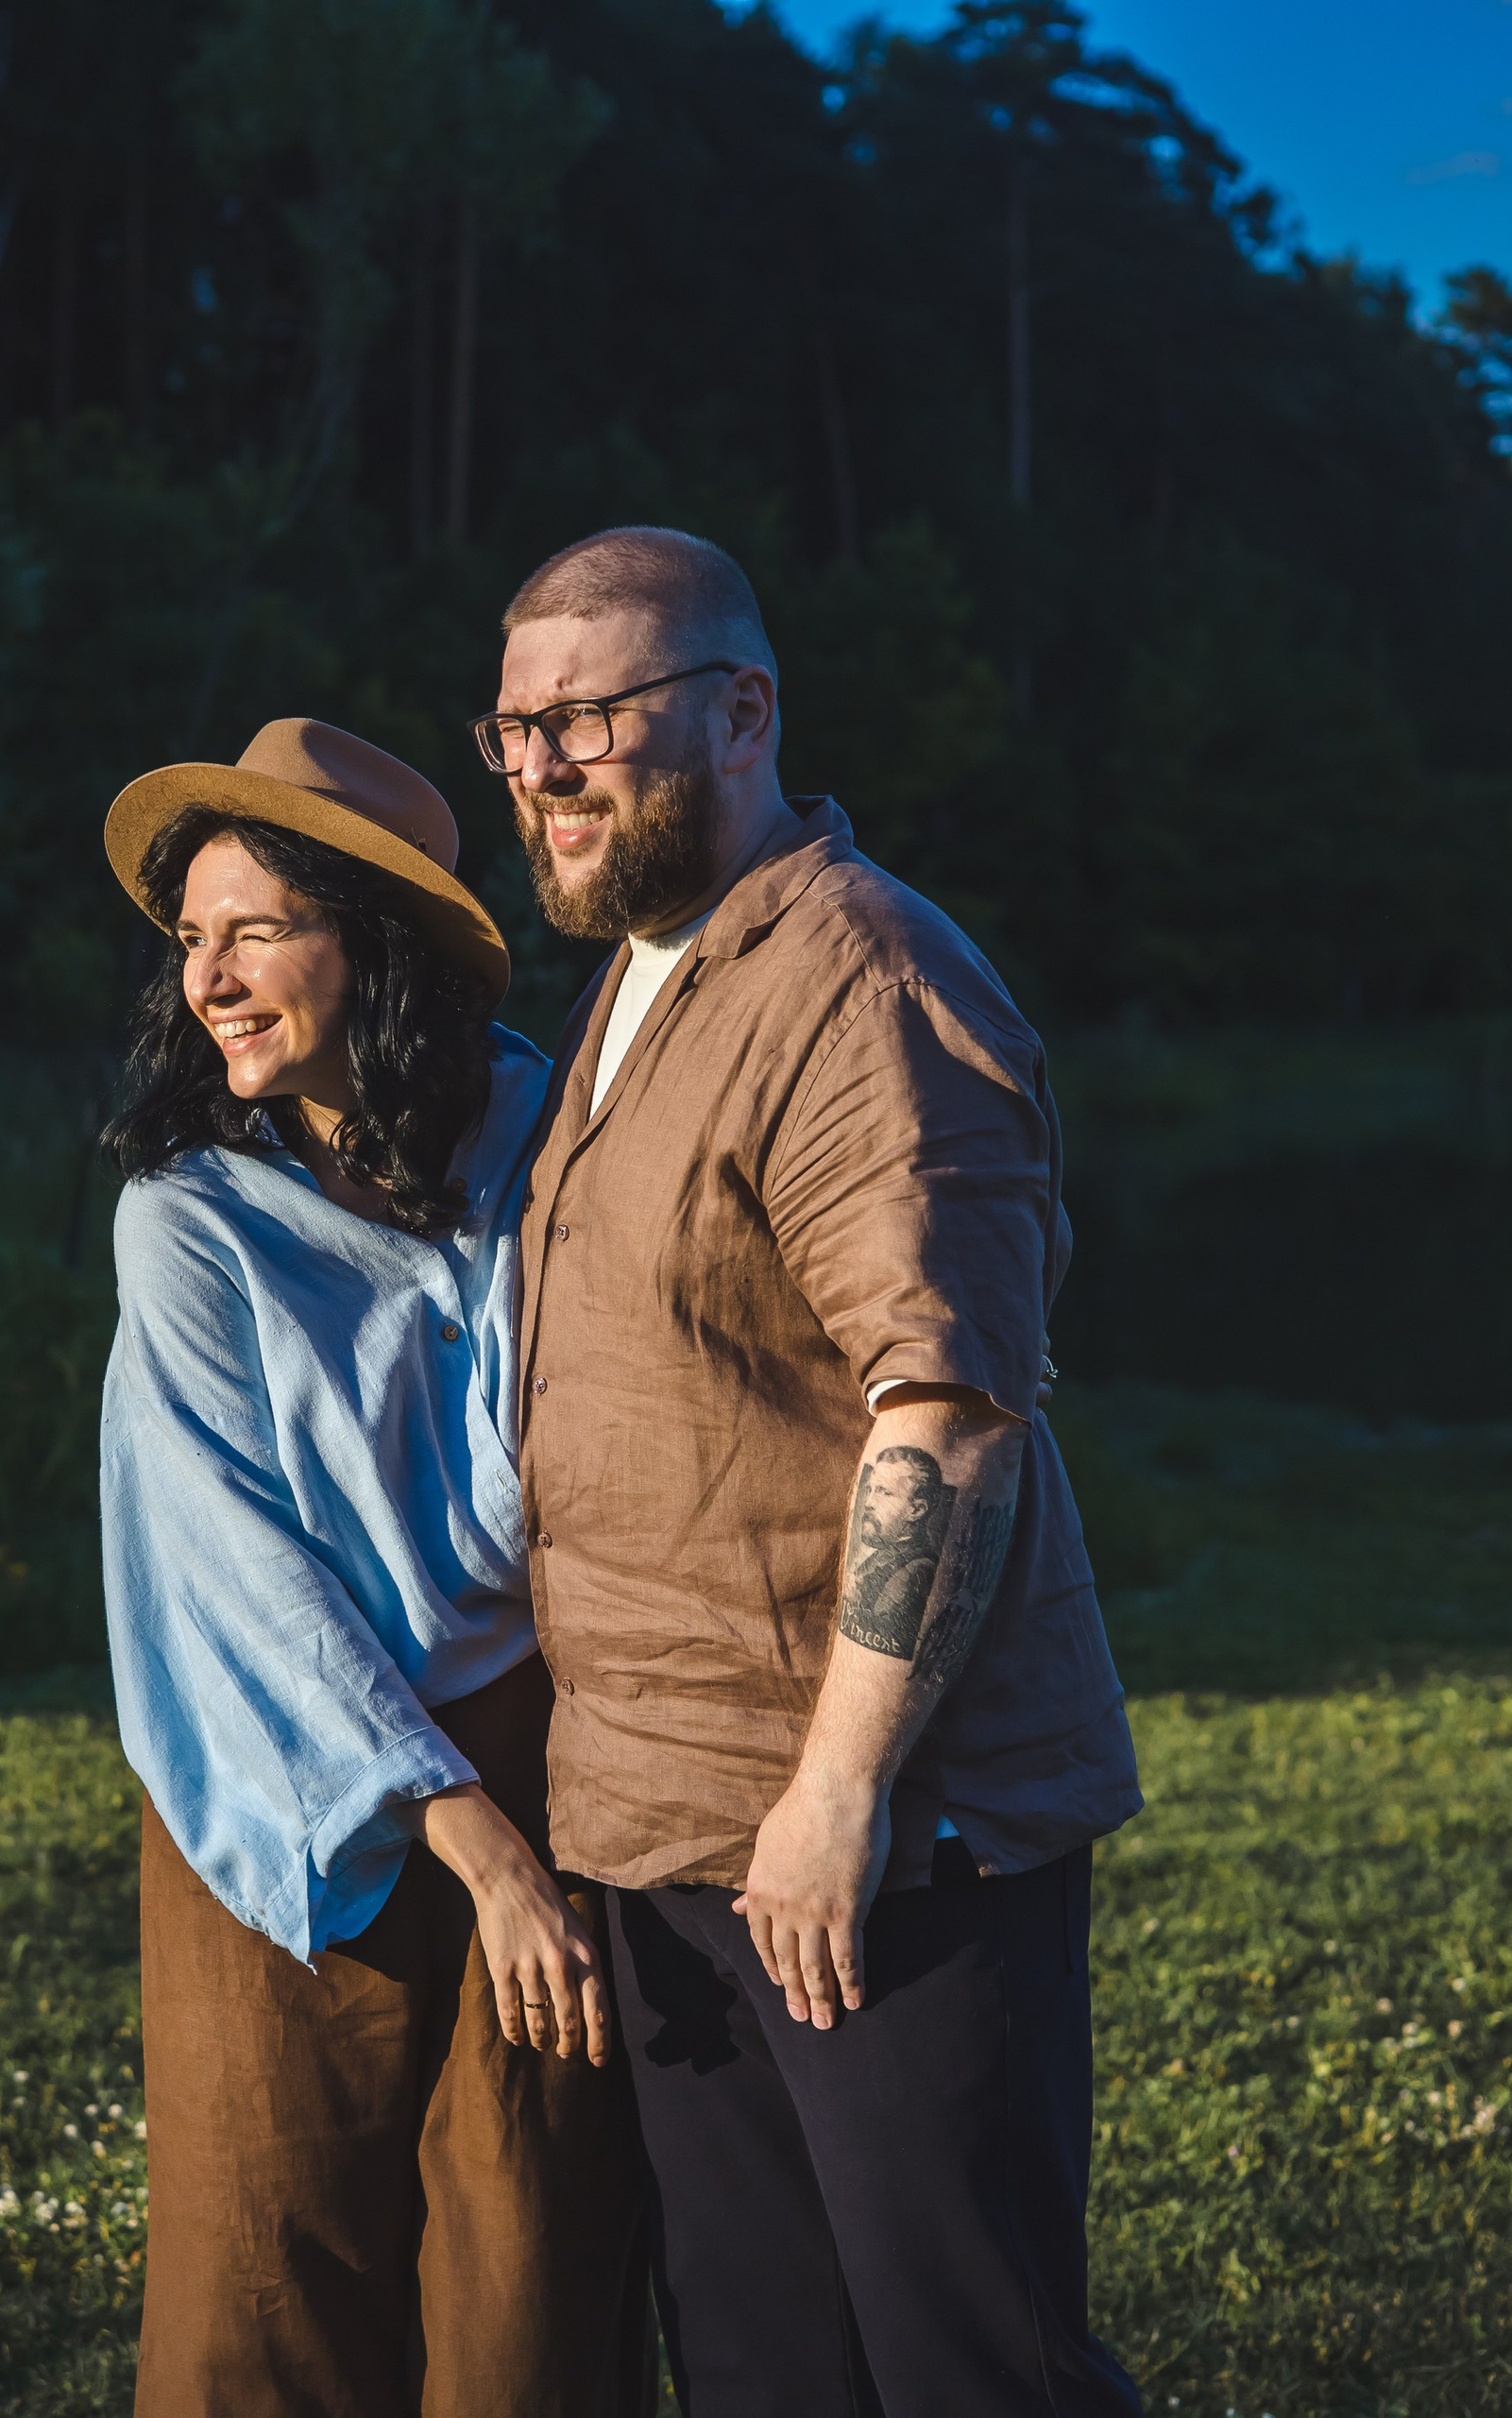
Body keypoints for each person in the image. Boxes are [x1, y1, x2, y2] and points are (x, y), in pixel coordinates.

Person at [481, 526, 1146, 2418]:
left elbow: (943, 1410)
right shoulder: (632, 986)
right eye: (515, 727)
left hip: (874, 1840)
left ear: (741, 710)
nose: (542, 765)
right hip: (664, 1829)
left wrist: (839, 1787)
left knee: (967, 2363)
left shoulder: (854, 973)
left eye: (590, 714)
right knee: (774, 2368)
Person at [97, 717, 651, 2418]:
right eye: (191, 939)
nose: (212, 977)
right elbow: (236, 1569)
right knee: (265, 2285)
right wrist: (465, 1835)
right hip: (285, 1772)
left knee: (534, 2274)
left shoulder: (542, 1143)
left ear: (374, 940)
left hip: (541, 1749)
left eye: (256, 928)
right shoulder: (188, 1218)